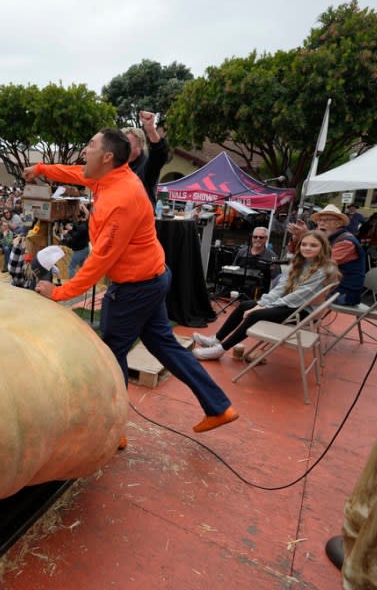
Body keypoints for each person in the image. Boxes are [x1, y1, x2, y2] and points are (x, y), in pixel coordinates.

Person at [24, 127, 237, 433]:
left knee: (111, 353)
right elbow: (75, 172)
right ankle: (219, 407)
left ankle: (114, 431)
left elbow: (100, 260)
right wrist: (41, 168)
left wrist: (58, 293)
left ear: (107, 156)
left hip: (136, 287)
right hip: (152, 277)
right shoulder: (110, 177)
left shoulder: (120, 199)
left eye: (90, 145)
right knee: (165, 345)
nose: (85, 150)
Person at [192, 231, 338, 360]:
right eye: (304, 244)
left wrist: (262, 308)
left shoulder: (323, 270)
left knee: (255, 315)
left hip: (303, 312)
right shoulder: (299, 263)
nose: (307, 248)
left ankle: (221, 349)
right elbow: (281, 287)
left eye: (313, 245)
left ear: (323, 248)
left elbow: (297, 297)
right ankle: (216, 339)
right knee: (244, 305)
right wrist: (262, 303)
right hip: (291, 305)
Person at [291, 204, 365, 306]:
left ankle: (293, 319)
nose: (321, 223)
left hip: (343, 293)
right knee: (286, 281)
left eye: (326, 220)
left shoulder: (346, 242)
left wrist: (306, 235)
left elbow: (320, 264)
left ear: (339, 223)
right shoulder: (326, 238)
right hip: (326, 286)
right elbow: (293, 252)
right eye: (319, 221)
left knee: (291, 288)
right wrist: (298, 237)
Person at [124, 110, 170, 207]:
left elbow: (159, 153)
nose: (122, 147)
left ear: (140, 144)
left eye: (127, 143)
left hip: (139, 220)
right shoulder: (118, 166)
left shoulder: (146, 166)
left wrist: (150, 129)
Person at [61, 204, 90, 278]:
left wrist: (68, 231)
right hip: (84, 248)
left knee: (71, 267)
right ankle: (84, 280)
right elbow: (77, 227)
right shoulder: (83, 223)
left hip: (81, 250)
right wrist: (71, 228)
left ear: (80, 217)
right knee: (82, 266)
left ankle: (72, 283)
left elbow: (75, 235)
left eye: (77, 217)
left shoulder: (83, 227)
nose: (75, 219)